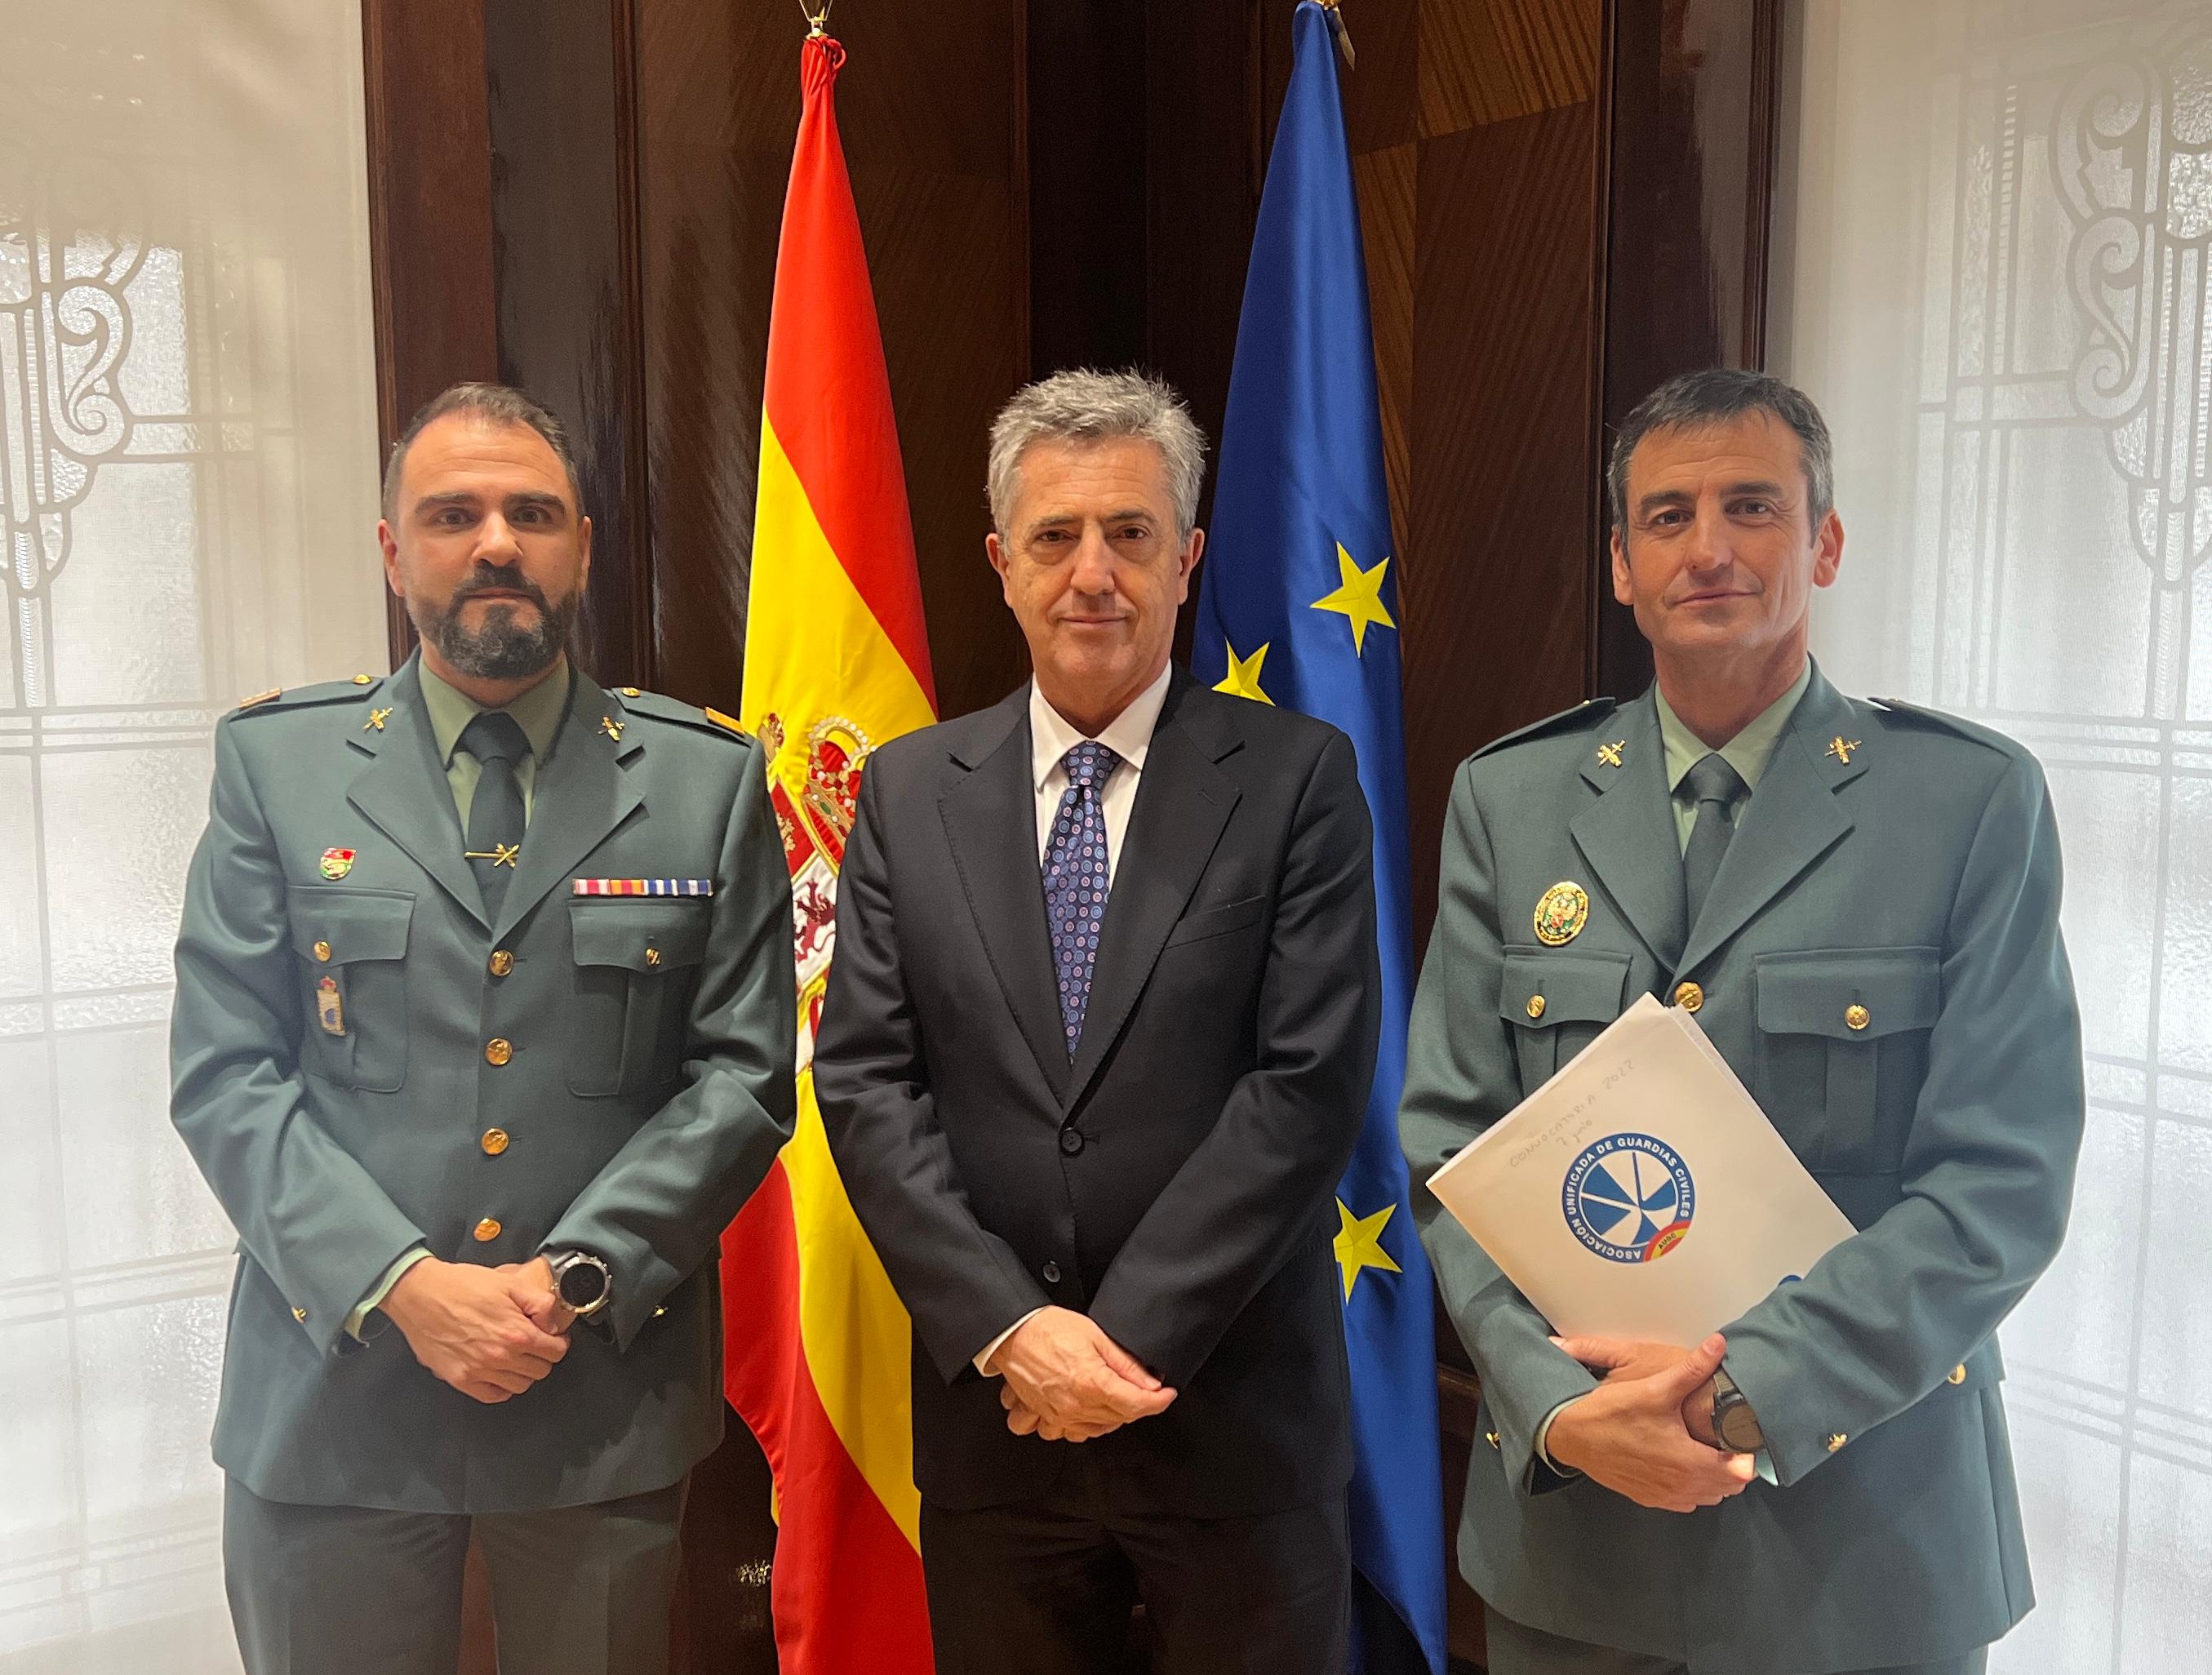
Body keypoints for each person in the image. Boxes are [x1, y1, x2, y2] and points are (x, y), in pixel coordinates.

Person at [1400, 368, 2083, 1675]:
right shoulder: (1512, 796)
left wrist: (1741, 1386)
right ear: (1618, 564)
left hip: (1861, 1542)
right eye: (1664, 517)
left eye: (1751, 506)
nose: (1706, 547)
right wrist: (1554, 1409)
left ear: (1822, 540)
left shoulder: (1965, 802)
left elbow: (2000, 1179)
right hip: (1577, 1546)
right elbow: (1452, 1145)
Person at [169, 382, 795, 1675]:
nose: (495, 543)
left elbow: (740, 1076)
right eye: (452, 514)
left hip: (594, 1399)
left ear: (582, 545)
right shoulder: (277, 768)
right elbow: (227, 1073)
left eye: (531, 513)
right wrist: (403, 1286)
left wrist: (570, 1281)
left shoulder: (705, 778)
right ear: (394, 549)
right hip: (332, 1398)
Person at [814, 368, 1379, 1674]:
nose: (1093, 574)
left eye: (1130, 534)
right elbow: (866, 1083)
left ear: (1184, 559)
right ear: (1000, 562)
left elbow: (1303, 1088)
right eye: (1055, 536)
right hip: (994, 1428)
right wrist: (1015, 1335)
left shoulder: (1296, 780)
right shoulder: (907, 792)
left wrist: (1116, 1345)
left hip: (1231, 1424)